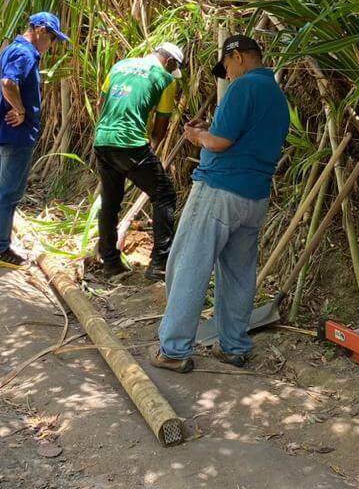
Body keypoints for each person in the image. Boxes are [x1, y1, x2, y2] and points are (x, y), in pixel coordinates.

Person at [153, 35, 290, 372]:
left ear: (238, 56)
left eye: (227, 67)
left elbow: (219, 143)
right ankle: (234, 345)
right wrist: (210, 130)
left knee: (188, 264)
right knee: (238, 274)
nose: (226, 75)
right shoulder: (276, 96)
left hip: (220, 191)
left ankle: (173, 350)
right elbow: (240, 138)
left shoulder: (242, 88)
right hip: (255, 196)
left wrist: (198, 136)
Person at [0, 12, 68, 270]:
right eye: (51, 38)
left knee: (0, 190)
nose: (50, 45)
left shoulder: (11, 49)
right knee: (9, 193)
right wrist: (19, 109)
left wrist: (9, 101)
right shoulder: (25, 53)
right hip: (16, 135)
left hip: (3, 133)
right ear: (40, 30)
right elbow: (7, 82)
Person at [94, 42, 184, 281]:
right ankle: (159, 264)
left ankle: (110, 262)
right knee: (164, 194)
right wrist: (151, 147)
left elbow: (100, 104)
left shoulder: (120, 65)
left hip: (102, 139)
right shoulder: (165, 78)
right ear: (170, 62)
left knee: (110, 202)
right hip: (130, 143)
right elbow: (161, 123)